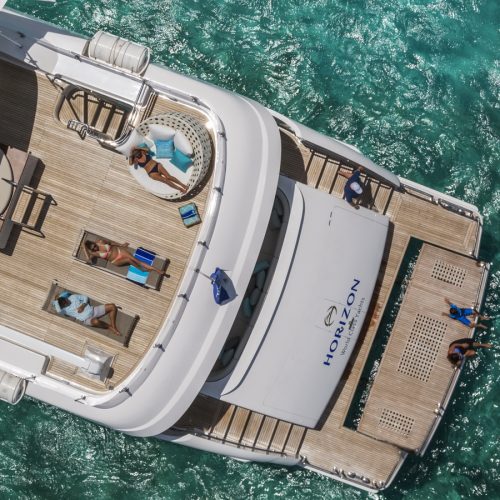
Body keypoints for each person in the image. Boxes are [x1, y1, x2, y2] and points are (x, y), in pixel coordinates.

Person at [83, 238, 167, 276]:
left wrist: (121, 245)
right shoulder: (95, 253)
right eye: (93, 249)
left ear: (94, 242)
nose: (95, 248)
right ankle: (141, 269)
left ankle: (157, 270)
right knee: (128, 260)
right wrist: (84, 246)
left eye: (94, 246)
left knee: (135, 260)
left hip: (119, 251)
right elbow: (88, 259)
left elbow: (111, 243)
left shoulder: (100, 241)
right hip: (115, 261)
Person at [53, 291, 121, 336]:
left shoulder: (73, 297)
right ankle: (109, 327)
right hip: (87, 319)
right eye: (65, 303)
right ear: (62, 305)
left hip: (93, 310)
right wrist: (56, 300)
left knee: (112, 306)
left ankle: (113, 326)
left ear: (65, 298)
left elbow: (85, 297)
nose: (67, 302)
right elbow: (58, 311)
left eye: (66, 300)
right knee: (96, 321)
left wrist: (83, 305)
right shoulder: (64, 310)